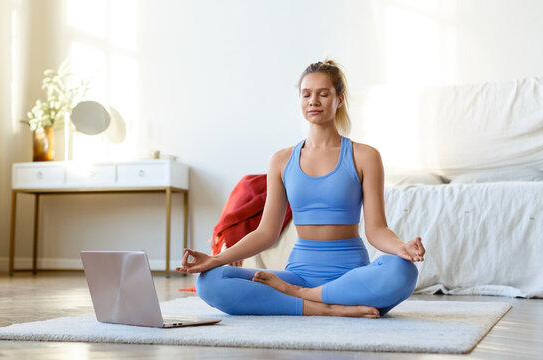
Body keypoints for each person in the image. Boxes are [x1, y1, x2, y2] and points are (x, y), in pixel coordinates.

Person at [175, 59, 426, 318]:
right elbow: (266, 233)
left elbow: (376, 230)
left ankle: (302, 298)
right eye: (306, 94)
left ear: (339, 99)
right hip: (298, 274)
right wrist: (216, 260)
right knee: (210, 282)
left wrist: (400, 248)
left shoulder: (364, 156)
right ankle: (329, 308)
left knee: (403, 270)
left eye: (323, 94)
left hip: (349, 278)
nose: (313, 101)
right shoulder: (282, 160)